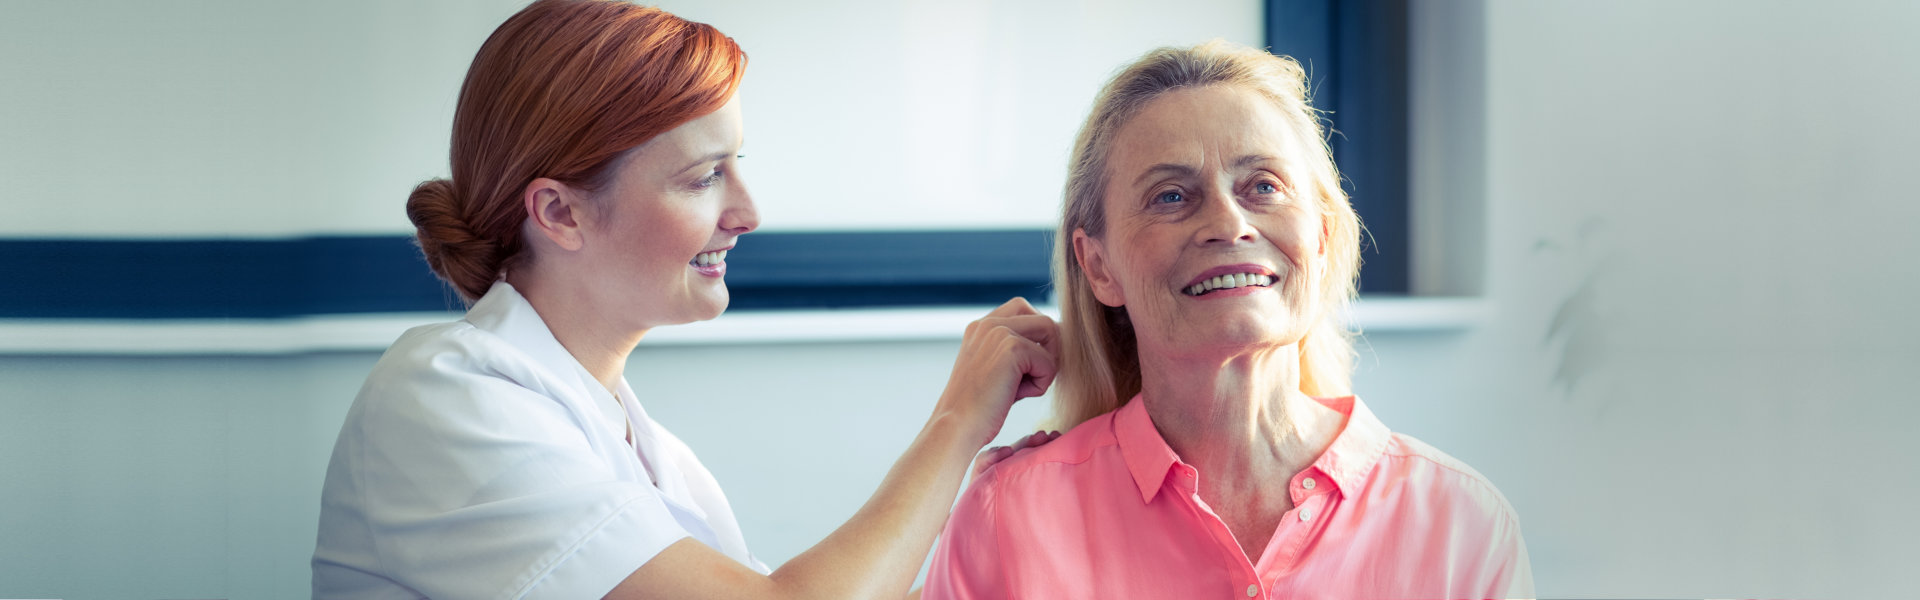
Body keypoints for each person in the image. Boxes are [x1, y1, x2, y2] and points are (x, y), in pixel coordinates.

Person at [311, 1, 1057, 598]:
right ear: (560, 213)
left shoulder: (654, 456)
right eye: (704, 177)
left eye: (738, 166)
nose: (747, 213)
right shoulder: (446, 401)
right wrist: (959, 422)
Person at [923, 40, 1534, 599]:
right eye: (1170, 196)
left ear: (1320, 239)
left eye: (1263, 186)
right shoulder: (1007, 517)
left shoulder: (1464, 525)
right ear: (1099, 266)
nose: (1228, 223)